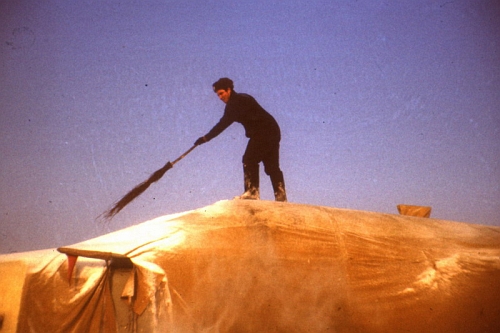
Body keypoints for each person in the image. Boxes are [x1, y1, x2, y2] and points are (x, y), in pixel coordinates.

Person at [195, 78, 287, 202]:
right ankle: (281, 196)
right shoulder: (242, 98)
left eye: (221, 93)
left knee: (249, 159)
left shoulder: (235, 103)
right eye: (218, 95)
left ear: (229, 90)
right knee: (271, 167)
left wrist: (206, 138)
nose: (220, 97)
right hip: (273, 131)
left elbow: (223, 124)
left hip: (263, 132)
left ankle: (252, 192)